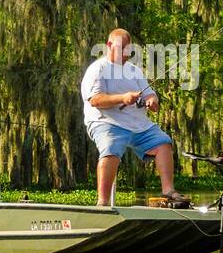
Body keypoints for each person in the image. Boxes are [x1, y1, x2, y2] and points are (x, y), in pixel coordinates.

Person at [81, 28, 189, 207]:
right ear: (109, 45)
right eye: (121, 48)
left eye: (128, 49)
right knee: (111, 148)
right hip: (107, 122)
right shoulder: (98, 68)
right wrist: (122, 98)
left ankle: (168, 190)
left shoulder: (134, 71)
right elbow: (95, 100)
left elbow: (150, 95)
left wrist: (152, 101)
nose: (125, 53)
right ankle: (103, 202)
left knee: (164, 143)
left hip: (140, 126)